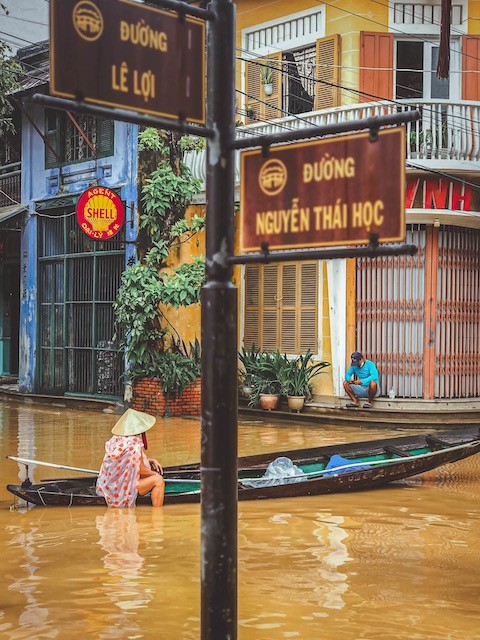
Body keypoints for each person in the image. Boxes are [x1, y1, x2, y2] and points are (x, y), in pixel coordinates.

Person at [96, 408, 165, 507]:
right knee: (158, 481)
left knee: (153, 475)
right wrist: (155, 474)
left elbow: (125, 461)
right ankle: (157, 514)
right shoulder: (134, 444)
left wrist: (150, 460)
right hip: (123, 488)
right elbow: (142, 471)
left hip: (109, 485)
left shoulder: (115, 440)